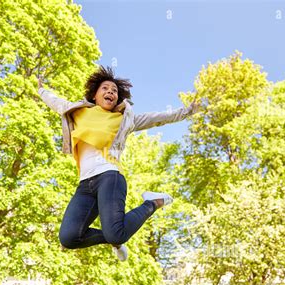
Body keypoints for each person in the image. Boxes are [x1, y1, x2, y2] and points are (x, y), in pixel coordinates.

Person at [38, 66, 199, 261]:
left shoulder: (124, 119)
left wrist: (187, 111)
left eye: (114, 91)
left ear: (118, 98)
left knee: (116, 233)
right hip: (85, 184)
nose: (110, 92)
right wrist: (41, 90)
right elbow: (56, 103)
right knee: (69, 238)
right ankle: (116, 239)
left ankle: (153, 203)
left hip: (110, 176)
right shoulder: (78, 112)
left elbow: (158, 118)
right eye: (105, 88)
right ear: (95, 95)